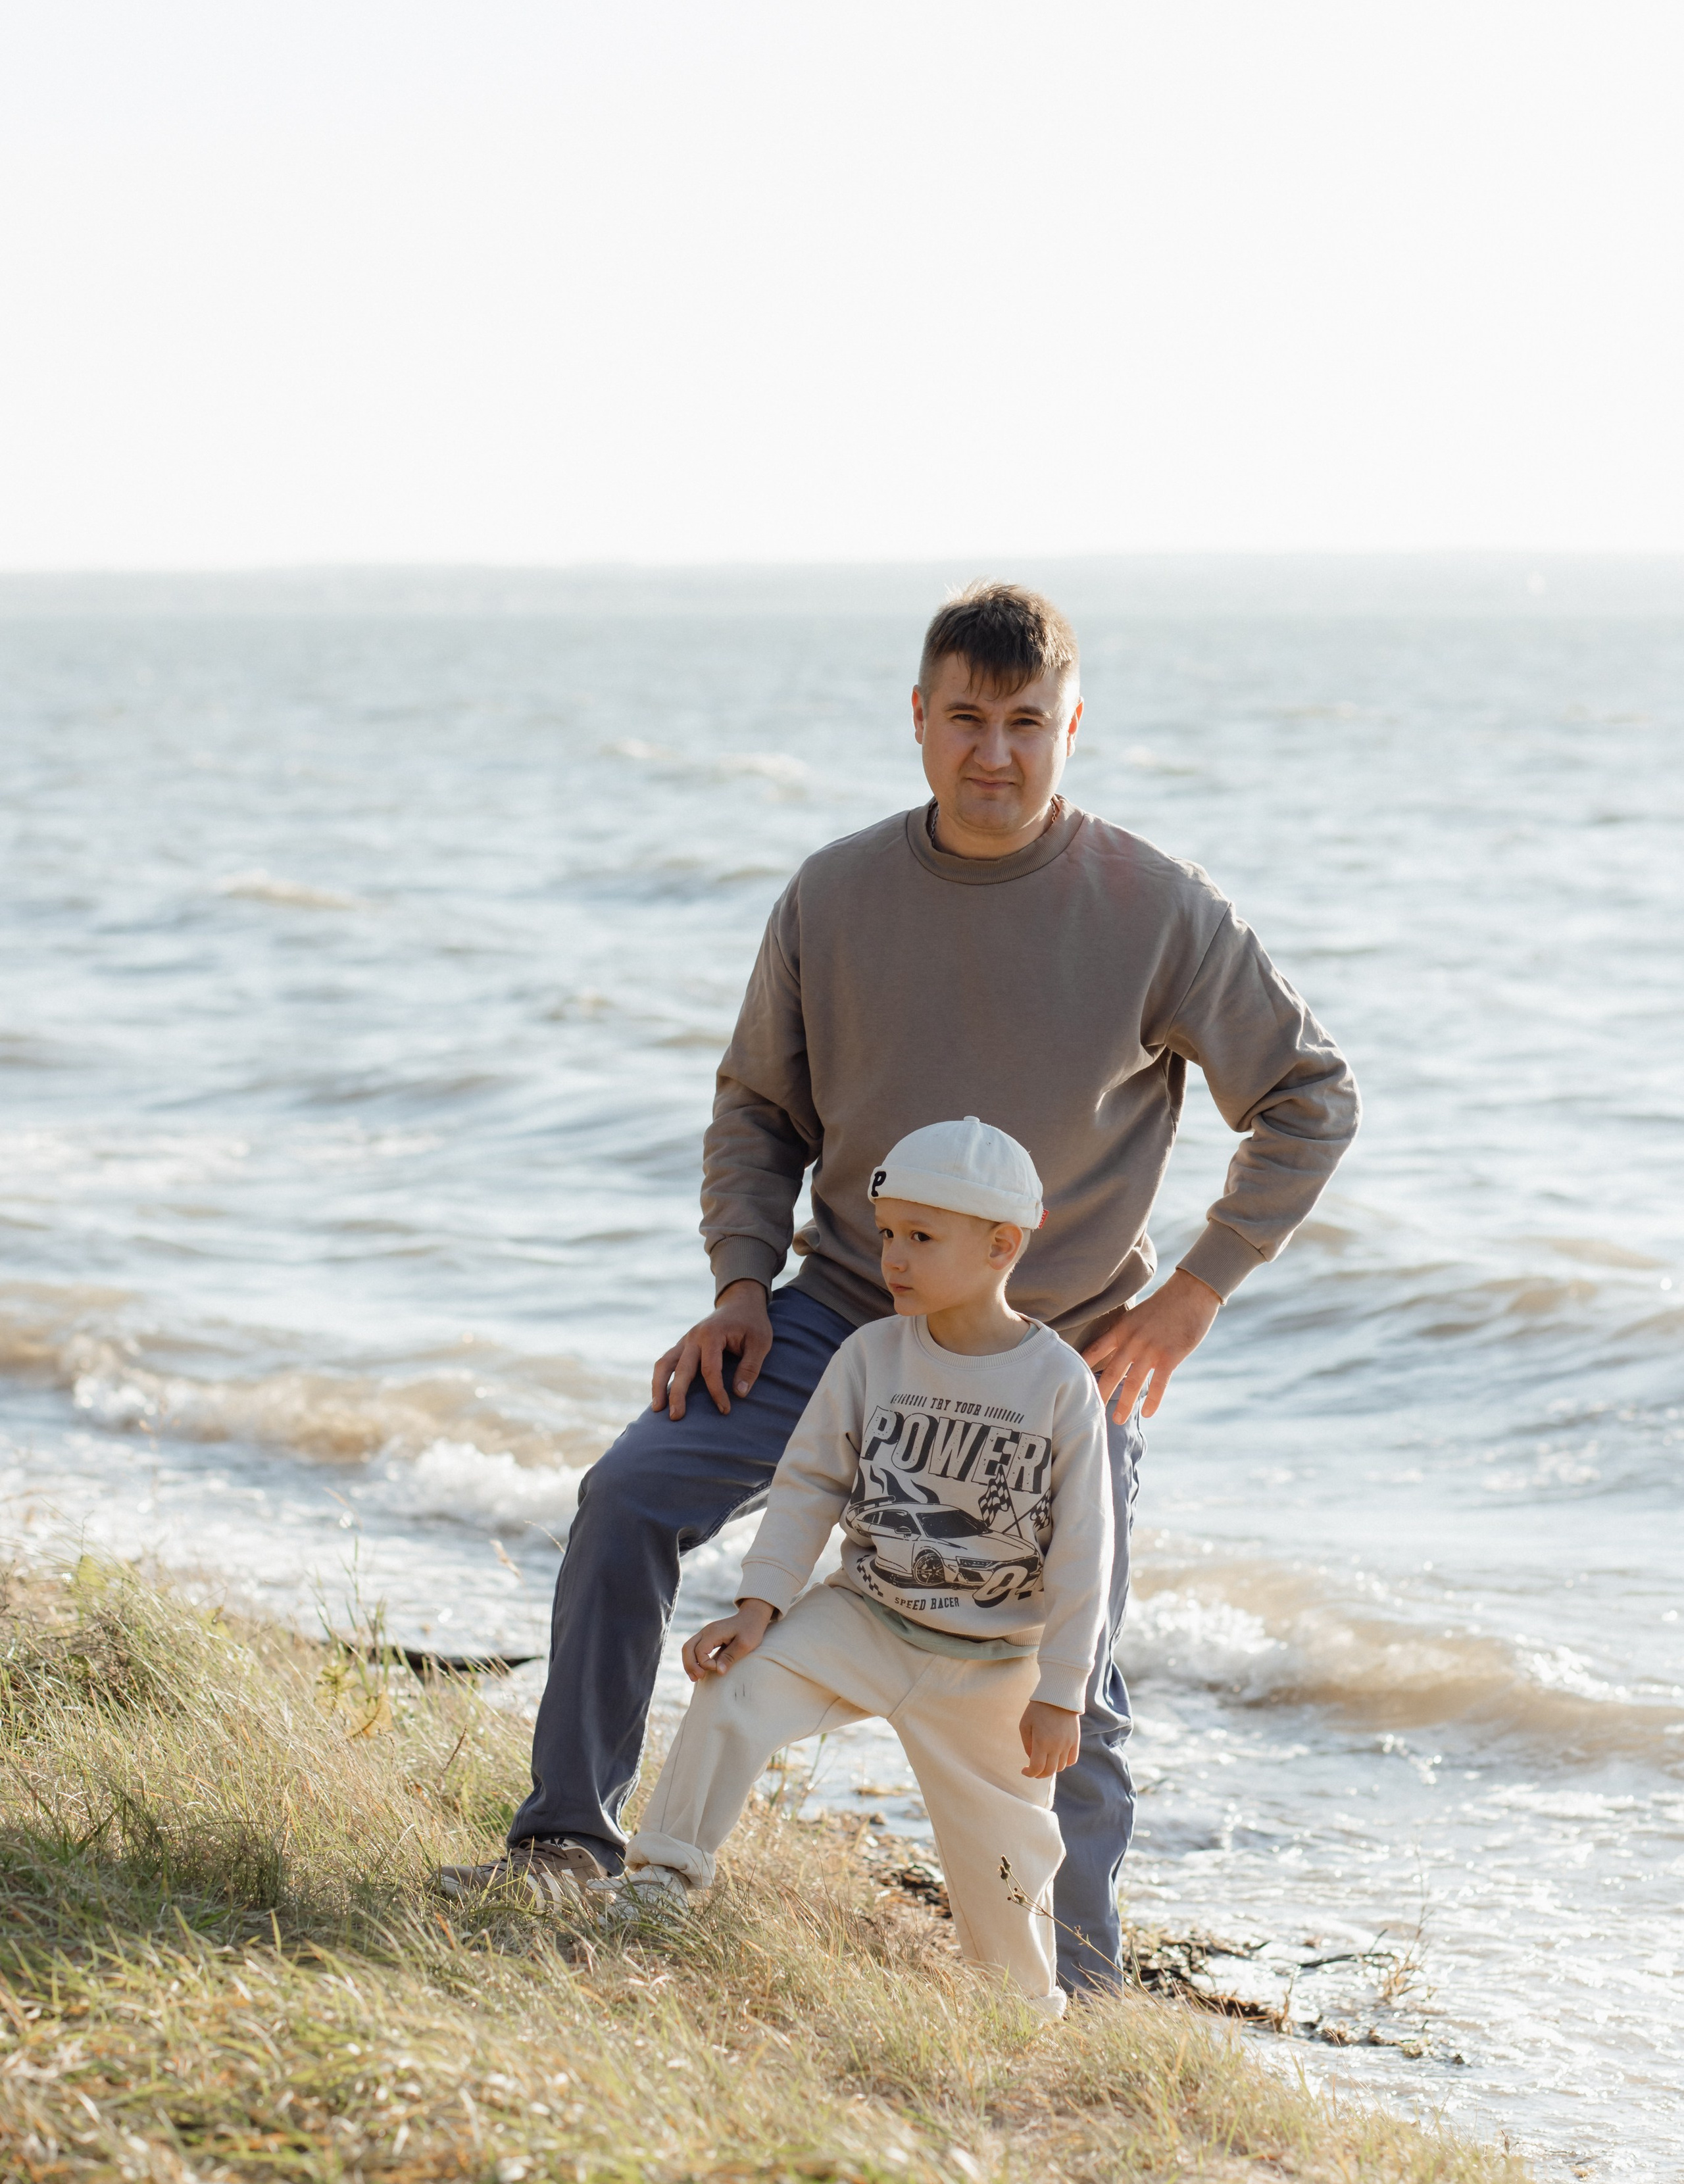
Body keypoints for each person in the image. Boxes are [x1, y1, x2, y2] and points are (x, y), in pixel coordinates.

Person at [438, 580, 1359, 1993]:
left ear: (1070, 728)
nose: (995, 752)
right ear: (917, 720)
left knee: (1074, 1676)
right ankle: (566, 1841)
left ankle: (1079, 1995)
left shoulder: (1155, 910)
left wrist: (1195, 1292)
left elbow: (1306, 1097)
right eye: (966, 720)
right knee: (629, 1498)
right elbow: (756, 1110)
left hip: (1055, 1349)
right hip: (835, 1318)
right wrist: (741, 1282)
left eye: (1026, 724)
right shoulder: (835, 891)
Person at [595, 1118, 1111, 2022]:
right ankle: (661, 1885)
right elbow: (809, 1486)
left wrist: (1062, 1690)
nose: (894, 1258)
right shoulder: (871, 1355)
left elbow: (1084, 1551)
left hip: (989, 1667)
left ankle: (1022, 2013)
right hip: (866, 1620)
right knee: (735, 1694)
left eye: (921, 1237)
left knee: (1008, 1854)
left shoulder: (1059, 1383)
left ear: (1002, 1247)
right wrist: (760, 1606)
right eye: (887, 1235)